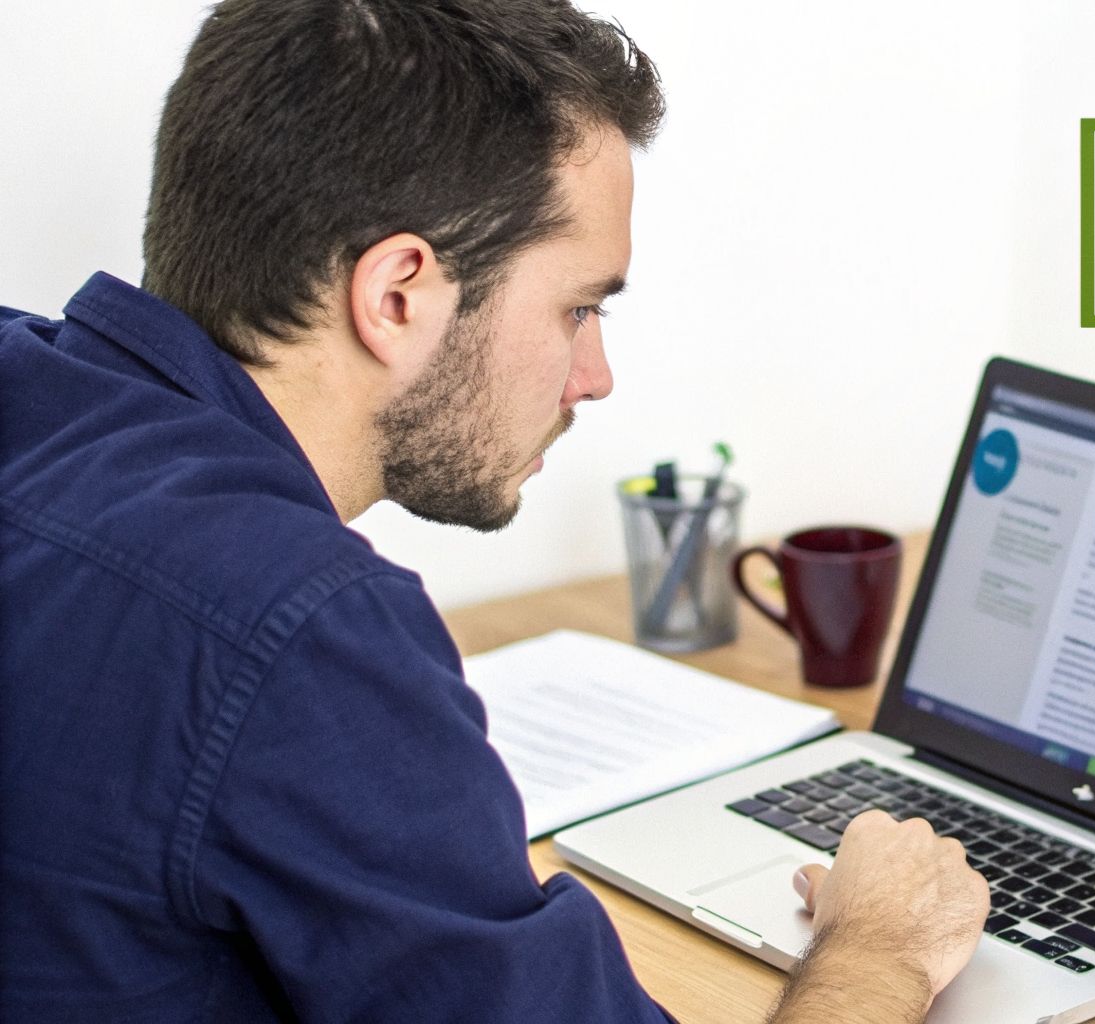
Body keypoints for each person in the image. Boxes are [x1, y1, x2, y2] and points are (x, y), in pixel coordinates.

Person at [0, 1, 987, 1021]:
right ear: (397, 295)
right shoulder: (299, 629)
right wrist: (881, 942)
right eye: (578, 307)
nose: (594, 375)